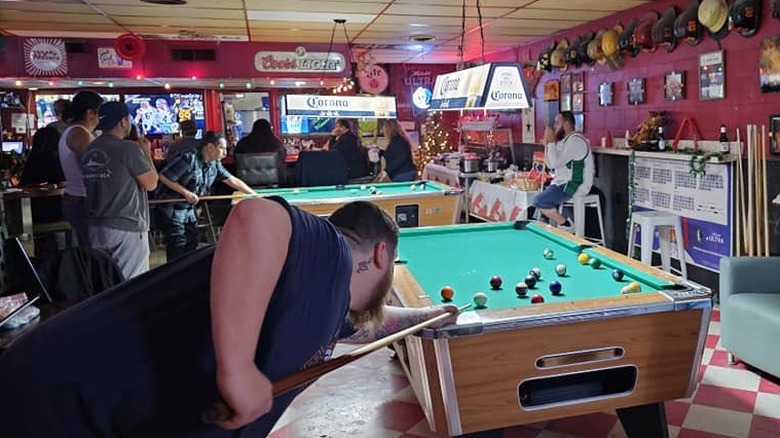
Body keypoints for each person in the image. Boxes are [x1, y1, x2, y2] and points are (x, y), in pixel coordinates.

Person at [0, 198, 459, 437]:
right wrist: (237, 368)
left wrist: (428, 315)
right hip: (53, 403)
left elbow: (368, 326)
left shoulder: (324, 298)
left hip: (90, 410)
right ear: (381, 253)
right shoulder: (330, 249)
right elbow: (256, 217)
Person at [82, 101, 159, 279]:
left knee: (104, 283)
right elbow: (151, 183)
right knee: (131, 285)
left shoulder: (90, 149)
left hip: (96, 226)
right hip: (127, 225)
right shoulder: (128, 149)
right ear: (123, 121)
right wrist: (146, 153)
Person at [156, 131, 254, 262]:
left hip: (188, 208)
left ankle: (186, 275)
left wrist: (253, 194)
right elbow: (164, 176)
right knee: (178, 243)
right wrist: (186, 192)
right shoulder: (188, 158)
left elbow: (231, 180)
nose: (225, 153)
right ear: (210, 147)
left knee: (192, 241)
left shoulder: (214, 163)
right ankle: (174, 278)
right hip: (171, 206)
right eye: (222, 148)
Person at [531, 111, 594, 231]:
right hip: (560, 182)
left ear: (567, 124)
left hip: (574, 184)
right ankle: (555, 228)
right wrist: (548, 144)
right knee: (538, 204)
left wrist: (551, 142)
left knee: (539, 201)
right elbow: (550, 164)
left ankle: (566, 224)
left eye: (557, 123)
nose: (554, 126)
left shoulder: (576, 141)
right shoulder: (565, 141)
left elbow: (555, 163)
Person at [58, 90, 104, 247]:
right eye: (100, 113)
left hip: (79, 198)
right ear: (91, 113)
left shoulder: (76, 131)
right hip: (83, 199)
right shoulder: (79, 134)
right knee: (94, 251)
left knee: (92, 249)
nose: (101, 119)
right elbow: (93, 170)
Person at [20, 126, 66, 224]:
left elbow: (23, 183)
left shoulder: (32, 158)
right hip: (55, 211)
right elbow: (63, 183)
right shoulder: (57, 159)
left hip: (31, 211)